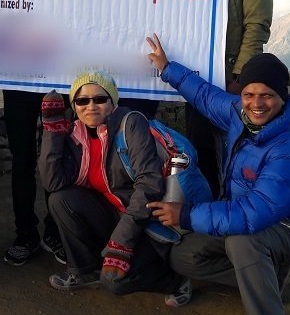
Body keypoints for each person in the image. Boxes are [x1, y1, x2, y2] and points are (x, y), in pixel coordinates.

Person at [145, 34, 290, 315]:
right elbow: (207, 97)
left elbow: (253, 214)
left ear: (282, 98)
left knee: (243, 242)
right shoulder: (241, 114)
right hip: (245, 219)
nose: (256, 103)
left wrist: (184, 215)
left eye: (267, 96)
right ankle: (270, 275)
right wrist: (167, 68)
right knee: (183, 256)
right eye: (249, 94)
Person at [38, 69, 189, 303]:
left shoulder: (131, 124)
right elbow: (53, 182)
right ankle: (84, 270)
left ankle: (175, 281)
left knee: (115, 281)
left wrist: (121, 241)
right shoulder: (75, 133)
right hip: (111, 211)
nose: (91, 106)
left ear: (112, 101)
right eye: (82, 100)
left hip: (144, 220)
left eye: (100, 99)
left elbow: (149, 185)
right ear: (74, 106)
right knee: (60, 198)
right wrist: (52, 132)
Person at [0, 0, 82, 266]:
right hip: (17, 77)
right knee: (22, 160)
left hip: (59, 80)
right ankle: (25, 233)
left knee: (59, 155)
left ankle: (54, 230)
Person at [186, 0, 274, 198]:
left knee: (233, 147)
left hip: (231, 77)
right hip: (197, 77)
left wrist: (240, 77)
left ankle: (237, 212)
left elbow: (257, 26)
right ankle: (210, 211)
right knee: (201, 146)